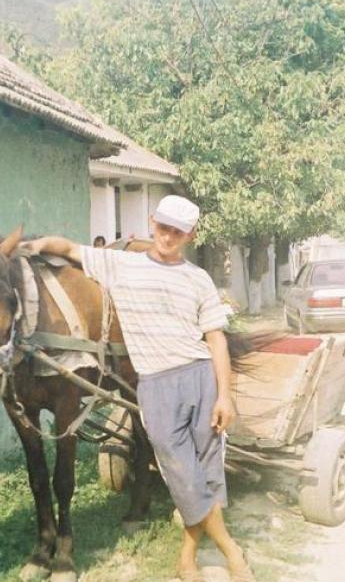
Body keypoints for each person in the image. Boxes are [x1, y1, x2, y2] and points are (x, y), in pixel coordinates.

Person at [23, 195, 254, 582]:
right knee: (181, 474)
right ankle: (232, 551)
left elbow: (215, 340)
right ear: (152, 223)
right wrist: (28, 246)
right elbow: (65, 248)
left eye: (177, 231)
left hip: (200, 377)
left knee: (207, 474)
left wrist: (224, 395)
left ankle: (186, 560)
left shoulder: (198, 278)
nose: (167, 236)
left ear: (190, 235)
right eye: (163, 227)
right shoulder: (119, 265)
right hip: (156, 384)